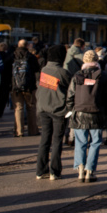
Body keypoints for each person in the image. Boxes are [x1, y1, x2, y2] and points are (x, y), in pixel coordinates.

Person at [66, 50, 107, 182]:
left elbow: (70, 95)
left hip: (80, 112)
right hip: (97, 112)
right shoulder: (102, 76)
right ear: (96, 60)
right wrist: (106, 111)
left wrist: (71, 109)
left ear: (84, 61)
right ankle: (90, 170)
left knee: (80, 142)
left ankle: (80, 168)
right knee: (95, 142)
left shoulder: (77, 75)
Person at [35, 45, 71, 180]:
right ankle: (54, 171)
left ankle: (40, 170)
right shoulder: (63, 72)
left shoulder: (44, 69)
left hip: (44, 108)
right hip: (58, 110)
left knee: (44, 139)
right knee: (57, 141)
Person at [11, 39, 41, 137]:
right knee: (31, 108)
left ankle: (18, 131)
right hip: (29, 87)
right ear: (27, 46)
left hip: (15, 87)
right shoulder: (31, 57)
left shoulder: (12, 56)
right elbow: (37, 69)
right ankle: (33, 130)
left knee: (18, 108)